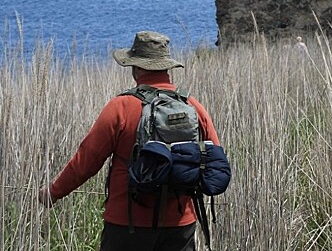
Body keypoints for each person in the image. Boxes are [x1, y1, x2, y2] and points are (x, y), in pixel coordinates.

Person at [38, 31, 220, 251]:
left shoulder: (121, 107)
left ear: (137, 67)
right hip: (181, 223)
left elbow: (86, 161)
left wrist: (53, 192)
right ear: (167, 68)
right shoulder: (193, 105)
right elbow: (213, 156)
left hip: (127, 223)